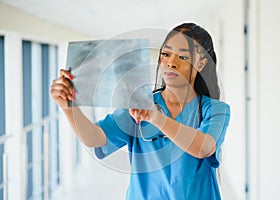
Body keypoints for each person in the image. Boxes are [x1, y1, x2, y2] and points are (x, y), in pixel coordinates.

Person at [50, 22, 230, 200]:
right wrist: (68, 108)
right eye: (166, 54)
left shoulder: (215, 110)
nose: (171, 63)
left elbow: (203, 147)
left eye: (183, 57)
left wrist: (156, 118)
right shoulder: (139, 104)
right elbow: (94, 137)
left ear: (201, 63)